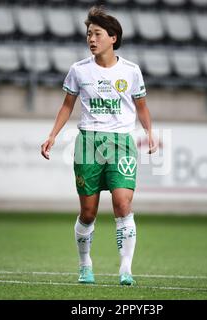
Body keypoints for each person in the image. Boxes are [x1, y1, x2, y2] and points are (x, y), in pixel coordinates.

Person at [41, 6, 156, 286]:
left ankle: (126, 269)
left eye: (97, 34)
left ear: (113, 38)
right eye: (88, 34)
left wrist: (149, 132)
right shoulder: (79, 70)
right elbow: (67, 105)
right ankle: (85, 265)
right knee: (88, 212)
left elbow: (142, 107)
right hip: (88, 143)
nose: (91, 39)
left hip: (121, 144)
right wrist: (53, 135)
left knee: (122, 204)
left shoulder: (131, 71)